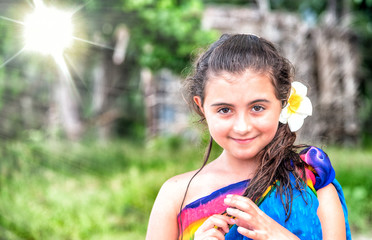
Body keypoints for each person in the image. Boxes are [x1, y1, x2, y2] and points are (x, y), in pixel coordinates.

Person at [146, 34, 351, 240]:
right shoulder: (175, 197)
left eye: (257, 107)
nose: (242, 127)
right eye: (225, 110)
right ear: (201, 107)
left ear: (283, 102)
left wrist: (279, 236)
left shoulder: (311, 179)